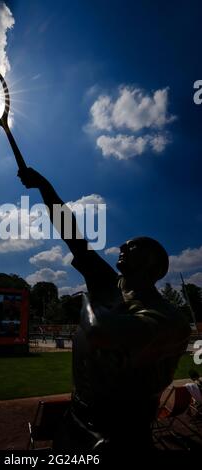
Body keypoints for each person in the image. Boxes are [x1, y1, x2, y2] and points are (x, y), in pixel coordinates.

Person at [18, 166, 191, 451]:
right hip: (76, 420)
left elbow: (101, 331)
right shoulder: (113, 286)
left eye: (134, 247)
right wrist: (44, 187)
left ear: (153, 264)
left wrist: (85, 300)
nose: (122, 244)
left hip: (122, 436)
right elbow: (73, 237)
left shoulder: (170, 319)